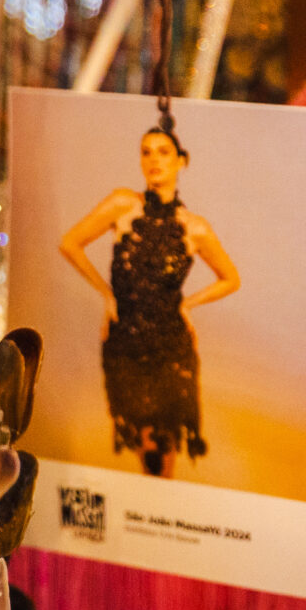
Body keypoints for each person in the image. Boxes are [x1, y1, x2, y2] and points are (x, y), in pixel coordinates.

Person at [59, 124, 242, 476]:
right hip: (125, 338)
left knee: (165, 442)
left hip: (171, 343)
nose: (153, 159)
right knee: (141, 439)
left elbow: (231, 279)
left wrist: (187, 305)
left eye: (163, 152)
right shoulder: (122, 204)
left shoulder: (195, 227)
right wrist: (107, 293)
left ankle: (163, 503)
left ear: (181, 161)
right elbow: (70, 243)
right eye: (146, 152)